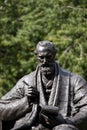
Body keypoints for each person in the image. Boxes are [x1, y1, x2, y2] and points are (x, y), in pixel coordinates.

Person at [0, 41, 87, 130]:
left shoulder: (74, 80)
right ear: (36, 56)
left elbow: (85, 109)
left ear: (54, 55)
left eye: (49, 57)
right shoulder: (26, 82)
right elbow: (2, 109)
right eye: (41, 58)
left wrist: (66, 122)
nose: (45, 62)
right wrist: (26, 101)